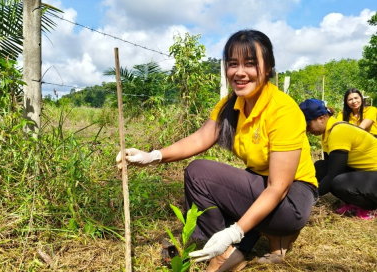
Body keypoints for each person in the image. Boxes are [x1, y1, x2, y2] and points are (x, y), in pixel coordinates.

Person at [117, 30, 317, 272]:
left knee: (200, 172)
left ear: (268, 69)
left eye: (250, 64)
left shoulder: (283, 110)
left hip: (291, 201)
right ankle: (223, 245)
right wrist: (152, 156)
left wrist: (235, 231)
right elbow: (200, 138)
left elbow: (279, 187)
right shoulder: (231, 104)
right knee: (202, 176)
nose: (240, 72)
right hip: (261, 183)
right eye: (233, 64)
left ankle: (228, 246)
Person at [299, 99, 377, 220]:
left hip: (374, 176)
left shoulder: (339, 131)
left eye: (308, 125)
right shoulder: (328, 133)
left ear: (321, 118)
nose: (308, 131)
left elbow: (334, 173)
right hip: (367, 174)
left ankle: (371, 207)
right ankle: (355, 202)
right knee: (320, 167)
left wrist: (310, 198)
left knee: (339, 182)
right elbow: (329, 167)